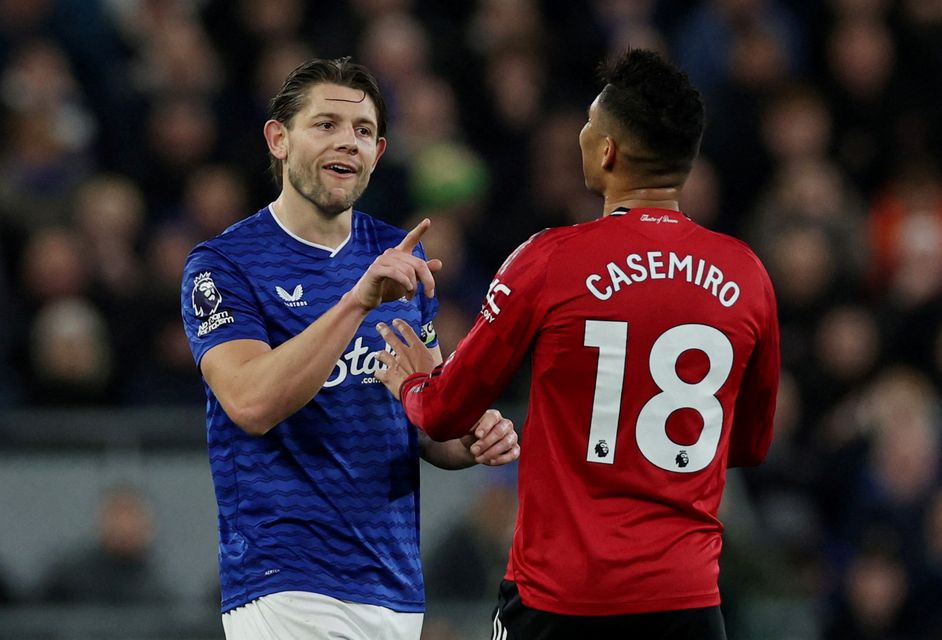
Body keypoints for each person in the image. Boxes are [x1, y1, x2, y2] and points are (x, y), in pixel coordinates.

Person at [374, 48, 781, 639]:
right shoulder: (747, 275)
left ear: (608, 150)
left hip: (561, 599)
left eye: (589, 124)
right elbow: (748, 443)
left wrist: (414, 383)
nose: (582, 135)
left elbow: (443, 412)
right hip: (685, 602)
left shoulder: (551, 260)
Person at [179, 57, 520, 640]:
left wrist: (469, 435)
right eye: (326, 124)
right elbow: (251, 402)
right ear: (279, 139)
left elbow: (425, 420)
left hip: (394, 585)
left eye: (363, 131)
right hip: (285, 579)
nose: (348, 141)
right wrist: (356, 302)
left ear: (379, 152)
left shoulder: (399, 255)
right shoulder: (224, 265)